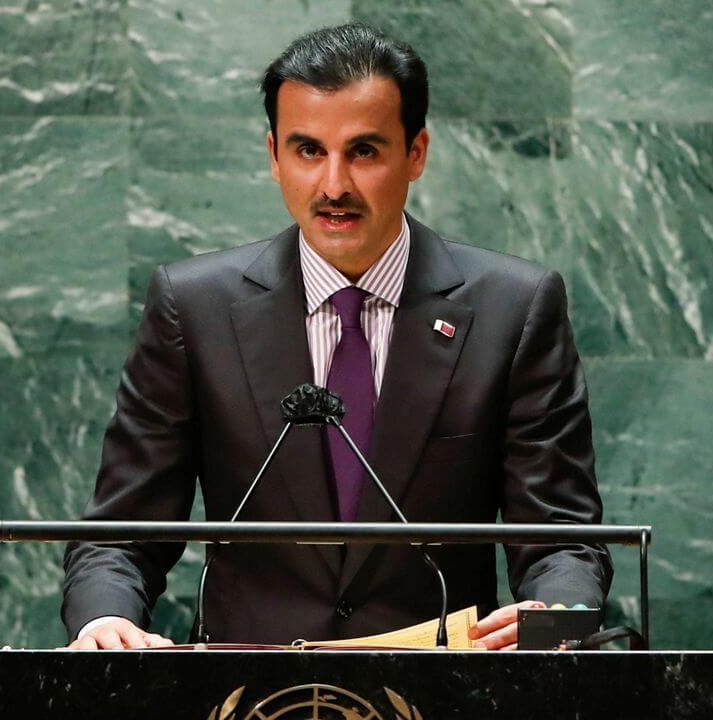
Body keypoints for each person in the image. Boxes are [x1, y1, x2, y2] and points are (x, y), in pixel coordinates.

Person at [62, 23, 611, 651]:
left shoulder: (513, 309)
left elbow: (563, 537)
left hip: (441, 690)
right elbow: (119, 536)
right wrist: (103, 621)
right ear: (273, 155)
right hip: (248, 696)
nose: (333, 186)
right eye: (307, 151)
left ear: (417, 153)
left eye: (365, 152)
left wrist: (553, 612)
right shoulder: (194, 308)